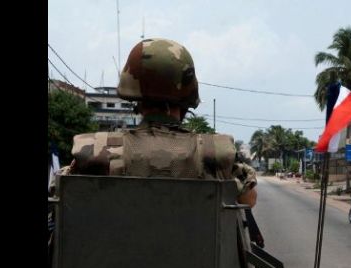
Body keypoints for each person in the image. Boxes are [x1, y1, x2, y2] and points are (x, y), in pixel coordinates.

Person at [63, 38, 258, 207]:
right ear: (187, 93)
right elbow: (248, 200)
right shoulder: (214, 152)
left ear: (134, 94)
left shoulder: (95, 150)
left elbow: (61, 193)